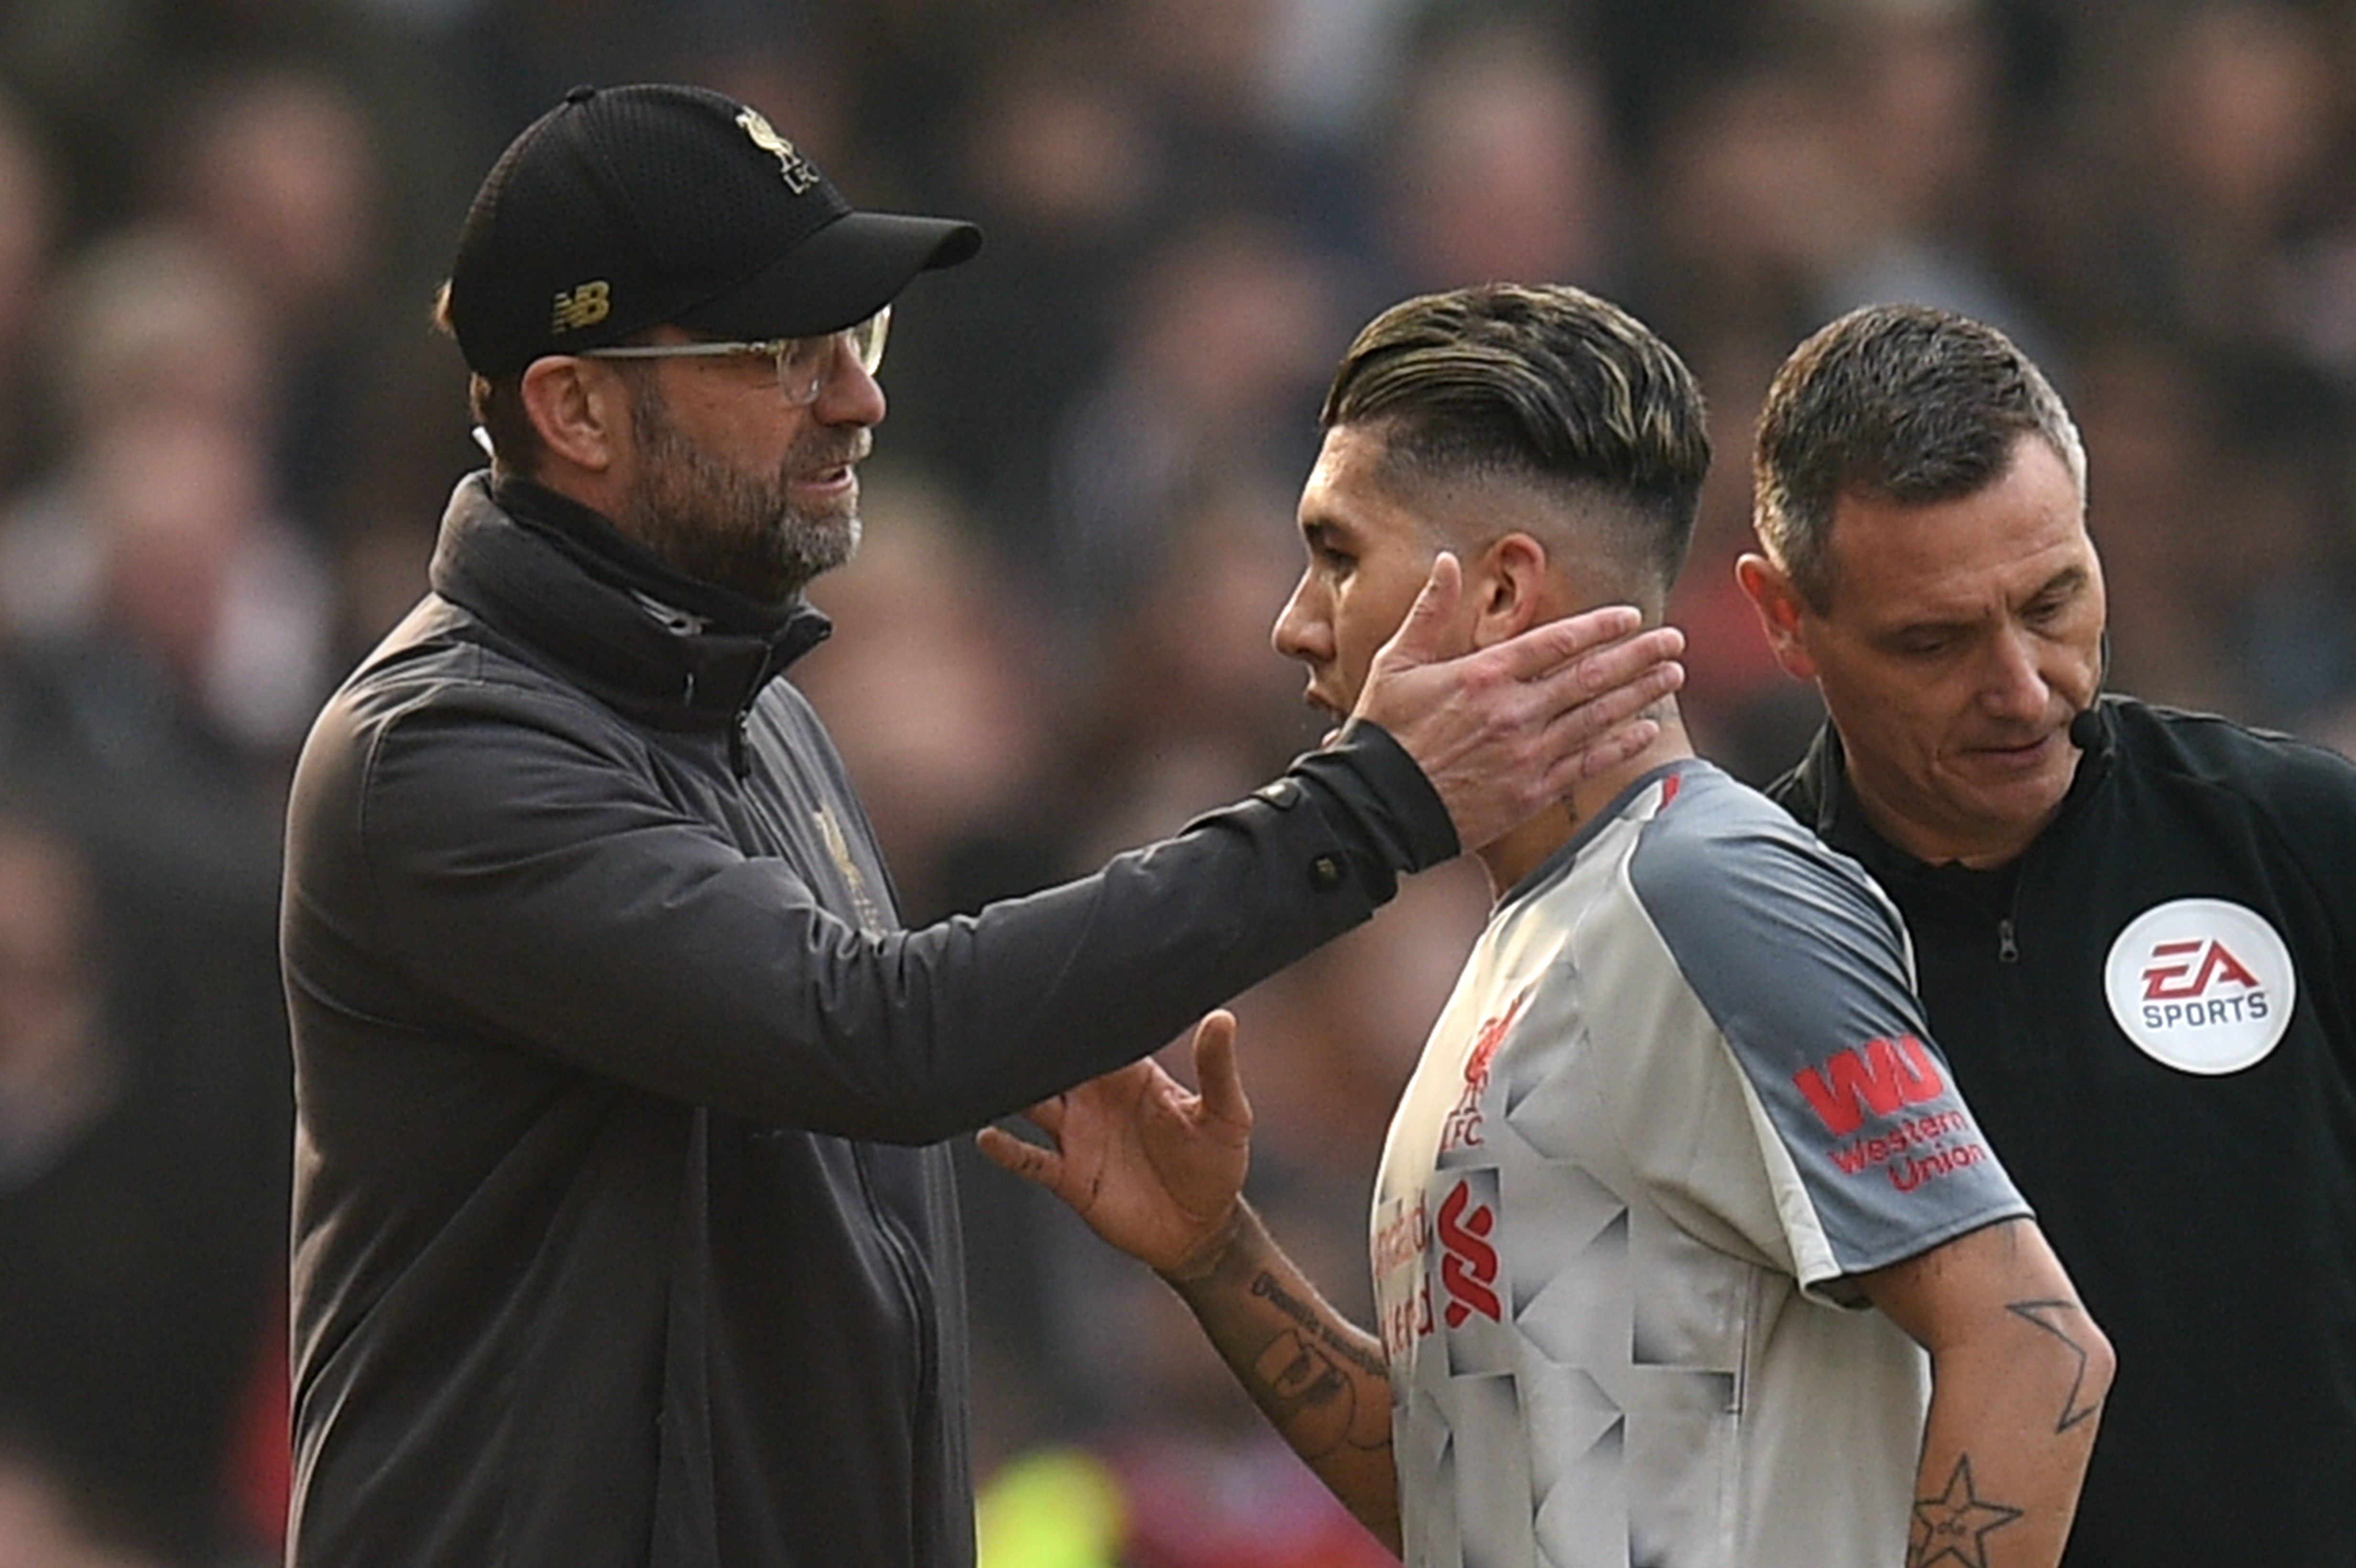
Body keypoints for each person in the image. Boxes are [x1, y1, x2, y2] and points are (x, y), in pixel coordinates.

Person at [274, 83, 1687, 1568]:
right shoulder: (442, 755)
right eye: (782, 350)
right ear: (573, 408)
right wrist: (1373, 802)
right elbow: (878, 1038)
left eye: (858, 338)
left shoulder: (754, 717)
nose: (855, 396)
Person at [982, 282, 2111, 1567]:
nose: (1296, 622)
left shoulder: (1710, 889)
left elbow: (2030, 1341)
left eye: (1339, 556)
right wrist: (1218, 1256)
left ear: (1505, 592)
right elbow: (1474, 1503)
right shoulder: (1533, 940)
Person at [1735, 302, 2356, 1566]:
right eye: (1935, 640)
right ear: (1786, 619)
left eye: (2055, 598)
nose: (2024, 688)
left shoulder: (2298, 840)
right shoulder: (1734, 940)